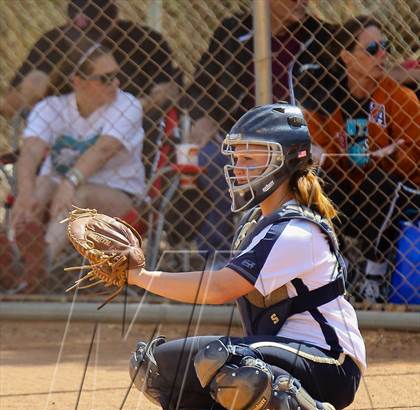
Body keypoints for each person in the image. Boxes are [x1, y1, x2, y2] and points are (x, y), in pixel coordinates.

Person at [127, 103, 365, 410]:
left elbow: (219, 288)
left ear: (286, 161)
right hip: (289, 358)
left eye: (253, 158)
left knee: (225, 360)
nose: (239, 168)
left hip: (332, 363)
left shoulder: (296, 229)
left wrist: (140, 276)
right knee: (156, 368)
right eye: (238, 158)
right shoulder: (260, 222)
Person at [181, 0, 336, 261]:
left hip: (296, 138)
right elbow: (199, 88)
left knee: (299, 168)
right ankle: (219, 256)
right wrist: (203, 116)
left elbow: (335, 96)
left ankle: (287, 254)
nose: (303, 2)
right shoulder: (232, 31)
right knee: (211, 159)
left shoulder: (322, 36)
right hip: (237, 136)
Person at [11, 41, 144, 293]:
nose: (116, 83)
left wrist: (70, 182)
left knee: (79, 195)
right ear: (78, 81)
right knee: (39, 186)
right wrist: (25, 193)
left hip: (118, 194)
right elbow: (30, 152)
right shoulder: (51, 107)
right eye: (106, 78)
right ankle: (14, 260)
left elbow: (103, 149)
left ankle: (40, 264)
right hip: (57, 190)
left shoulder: (127, 105)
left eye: (118, 76)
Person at [306, 17, 420, 303]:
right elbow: (316, 149)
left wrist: (396, 154)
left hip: (399, 194)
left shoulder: (399, 97)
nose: (383, 55)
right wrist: (317, 153)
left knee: (379, 180)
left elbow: (414, 157)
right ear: (346, 56)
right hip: (349, 190)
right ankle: (338, 265)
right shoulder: (326, 101)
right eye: (372, 49)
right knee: (312, 180)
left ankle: (374, 273)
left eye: (386, 47)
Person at [0, 0, 180, 172]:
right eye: (78, 33)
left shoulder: (145, 40)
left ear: (114, 21)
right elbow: (7, 107)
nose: (88, 42)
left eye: (95, 34)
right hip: (64, 140)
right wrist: (30, 89)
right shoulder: (52, 42)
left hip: (122, 139)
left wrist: (135, 107)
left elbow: (170, 90)